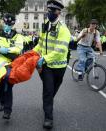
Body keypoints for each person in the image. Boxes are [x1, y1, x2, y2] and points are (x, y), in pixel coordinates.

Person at [33, 0, 71, 129]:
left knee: (53, 90)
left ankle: (46, 103)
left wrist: (44, 58)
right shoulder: (44, 25)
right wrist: (31, 54)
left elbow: (60, 51)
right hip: (47, 66)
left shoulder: (64, 29)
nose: (49, 13)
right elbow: (40, 44)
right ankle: (48, 117)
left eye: (52, 11)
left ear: (59, 12)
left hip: (60, 67)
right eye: (48, 10)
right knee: (48, 90)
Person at [0, 13, 24, 119]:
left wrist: (6, 50)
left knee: (8, 85)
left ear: (12, 24)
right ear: (3, 22)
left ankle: (7, 110)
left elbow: (18, 49)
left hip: (11, 63)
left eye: (9, 24)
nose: (7, 25)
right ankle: (2, 102)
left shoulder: (17, 36)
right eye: (6, 23)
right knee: (0, 85)